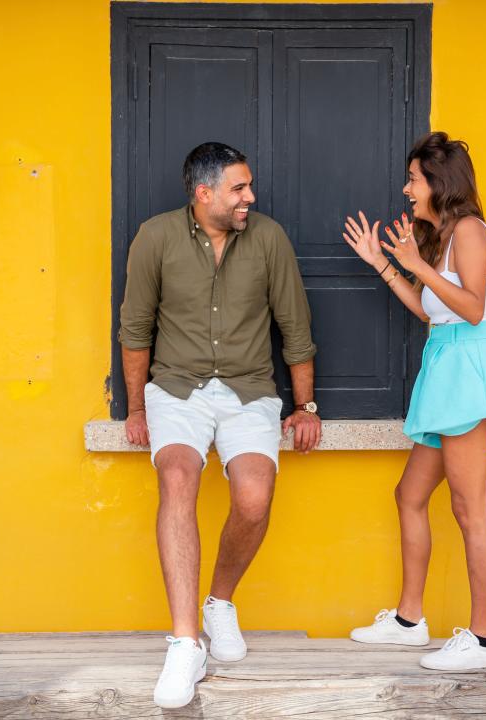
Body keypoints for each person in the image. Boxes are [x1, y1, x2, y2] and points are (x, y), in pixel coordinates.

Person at [119, 142, 322, 708]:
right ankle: (185, 642)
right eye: (239, 188)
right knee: (178, 477)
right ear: (203, 193)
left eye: (248, 187)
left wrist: (304, 407)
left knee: (254, 498)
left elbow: (295, 327)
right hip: (176, 389)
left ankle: (220, 602)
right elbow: (135, 330)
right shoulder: (155, 237)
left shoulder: (268, 238)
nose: (250, 197)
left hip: (249, 389)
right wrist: (136, 408)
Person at [342, 131, 486, 671]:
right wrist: (384, 264)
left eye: (414, 178)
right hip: (447, 368)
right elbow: (431, 312)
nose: (406, 187)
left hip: (469, 370)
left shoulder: (468, 230)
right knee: (410, 494)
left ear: (440, 182)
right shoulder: (442, 236)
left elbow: (470, 309)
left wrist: (416, 264)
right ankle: (409, 621)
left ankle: (484, 642)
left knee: (469, 510)